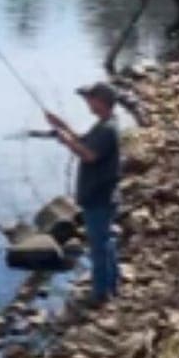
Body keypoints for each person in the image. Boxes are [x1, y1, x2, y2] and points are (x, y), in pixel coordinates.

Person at [45, 82, 121, 306]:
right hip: (102, 195)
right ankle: (111, 286)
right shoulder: (105, 124)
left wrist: (66, 141)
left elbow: (89, 155)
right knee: (105, 242)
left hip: (99, 197)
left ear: (101, 101)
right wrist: (63, 126)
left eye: (89, 98)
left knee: (98, 246)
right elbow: (85, 141)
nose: (87, 102)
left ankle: (100, 295)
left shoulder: (107, 129)